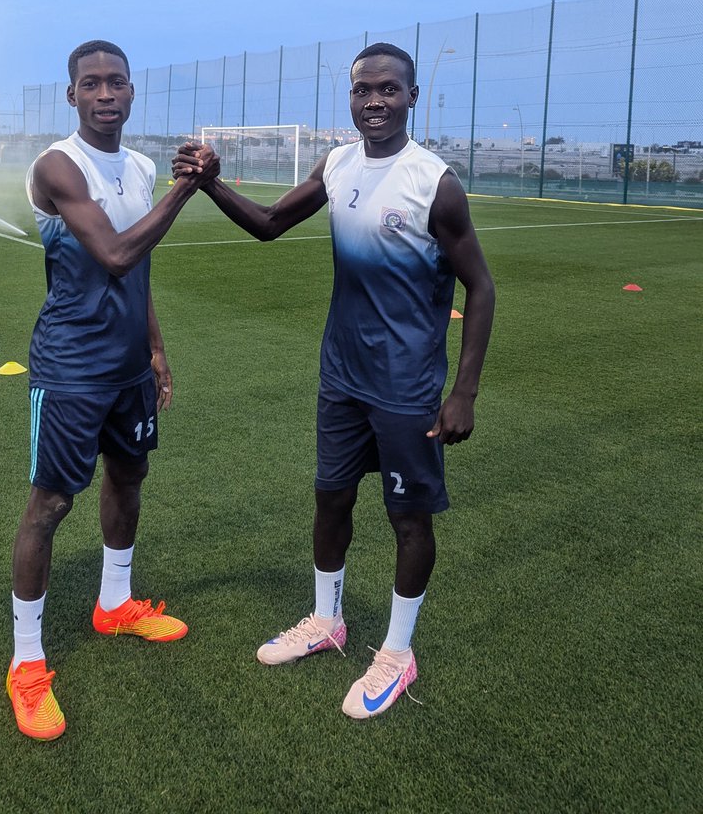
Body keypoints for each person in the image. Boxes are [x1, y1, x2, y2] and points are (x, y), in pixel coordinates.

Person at [174, 43, 495, 721]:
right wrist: (209, 183)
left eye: (388, 90)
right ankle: (328, 621)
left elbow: (482, 286)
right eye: (362, 91)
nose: (374, 102)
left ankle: (398, 654)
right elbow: (267, 225)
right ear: (349, 98)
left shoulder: (434, 182)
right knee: (330, 501)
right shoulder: (338, 163)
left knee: (408, 520)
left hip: (407, 387)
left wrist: (463, 390)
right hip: (341, 377)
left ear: (412, 98)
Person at [7, 39, 218, 741]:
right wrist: (188, 188)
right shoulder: (57, 166)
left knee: (129, 477)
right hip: (69, 368)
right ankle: (27, 662)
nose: (105, 93)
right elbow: (117, 251)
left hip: (128, 369)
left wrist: (155, 347)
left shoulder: (140, 166)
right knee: (50, 504)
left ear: (132, 93)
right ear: (71, 96)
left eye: (117, 82)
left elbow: (138, 273)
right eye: (91, 83)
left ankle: (115, 604)